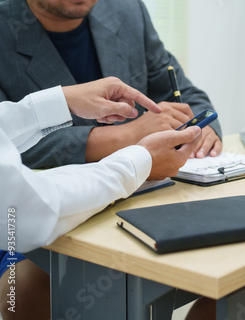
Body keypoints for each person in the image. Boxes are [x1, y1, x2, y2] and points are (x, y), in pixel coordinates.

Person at [0, 77, 202, 320]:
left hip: (118, 201)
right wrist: (137, 159)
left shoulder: (136, 37)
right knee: (26, 291)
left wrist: (60, 101)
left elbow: (189, 95)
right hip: (35, 229)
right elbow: (28, 208)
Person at [0, 0, 222, 169]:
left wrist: (203, 129)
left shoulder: (128, 11)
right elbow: (8, 141)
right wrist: (129, 134)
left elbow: (183, 93)